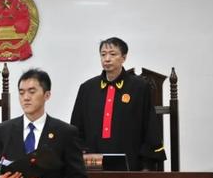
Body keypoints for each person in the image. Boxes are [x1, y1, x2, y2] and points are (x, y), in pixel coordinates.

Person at [70, 37, 166, 170]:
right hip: (93, 163)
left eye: (112, 54)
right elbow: (76, 127)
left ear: (124, 57)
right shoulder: (87, 88)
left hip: (131, 162)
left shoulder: (139, 87)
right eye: (103, 54)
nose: (107, 59)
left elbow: (149, 125)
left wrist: (147, 165)